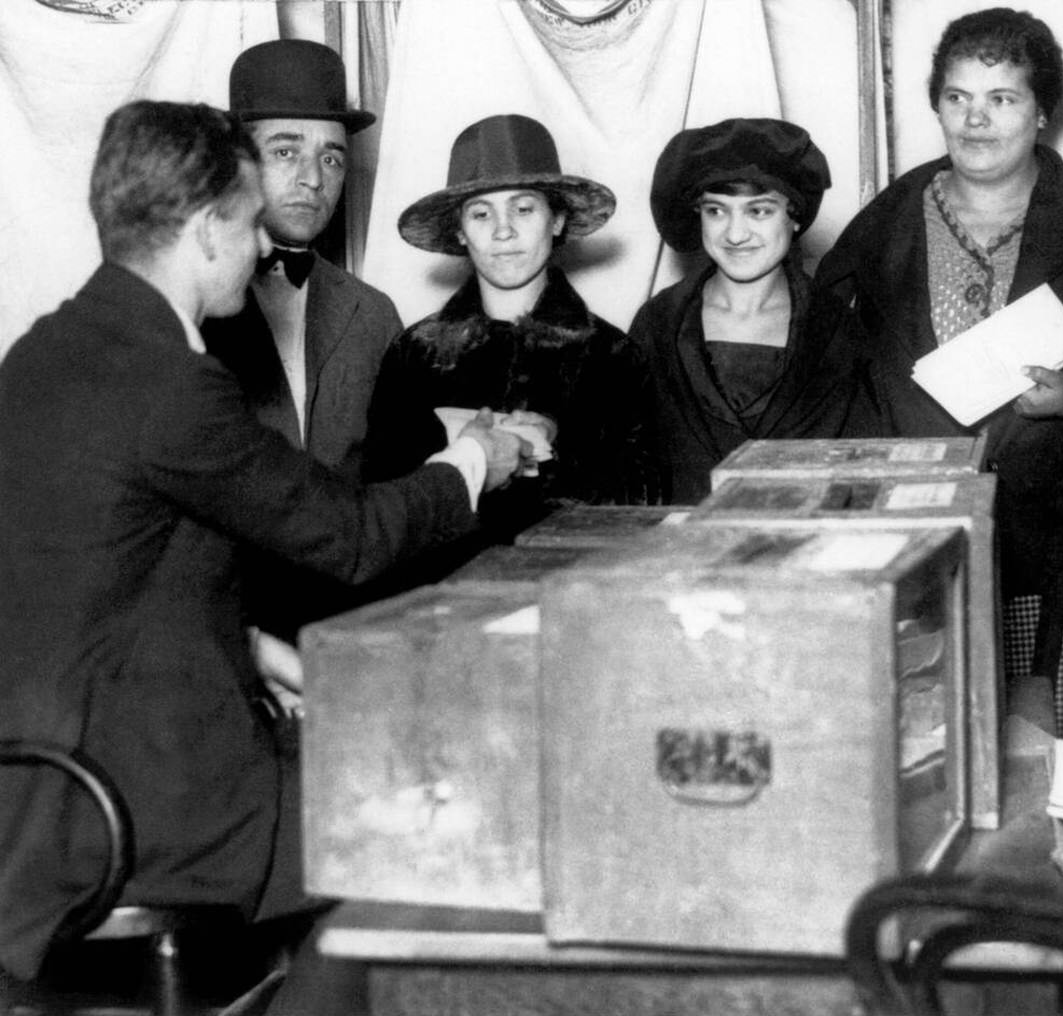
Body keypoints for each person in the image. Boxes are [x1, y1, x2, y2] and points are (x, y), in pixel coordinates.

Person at [0, 101, 526, 983]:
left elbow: (92, 570)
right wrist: (474, 458)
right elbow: (350, 538)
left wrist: (245, 649)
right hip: (121, 804)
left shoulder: (43, 354)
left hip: (38, 779)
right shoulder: (172, 384)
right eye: (247, 224)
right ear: (207, 231)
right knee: (448, 803)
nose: (257, 246)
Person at [816, 8, 1063, 737]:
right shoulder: (882, 231)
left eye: (1002, 99)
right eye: (958, 98)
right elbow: (823, 394)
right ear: (936, 106)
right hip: (914, 559)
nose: (976, 120)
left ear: (1041, 113)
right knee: (918, 769)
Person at [363, 113, 659, 556]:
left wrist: (554, 452)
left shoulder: (612, 356)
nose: (504, 230)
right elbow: (384, 501)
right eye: (481, 213)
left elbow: (645, 499)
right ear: (460, 232)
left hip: (572, 592)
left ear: (556, 220)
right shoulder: (414, 355)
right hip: (444, 599)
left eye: (523, 208)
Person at [202, 39, 406, 642]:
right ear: (236, 163)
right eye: (286, 150)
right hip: (220, 632)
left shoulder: (373, 314)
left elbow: (391, 495)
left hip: (349, 627)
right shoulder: (188, 305)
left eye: (333, 158)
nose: (312, 179)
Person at [631, 117, 882, 503]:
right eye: (716, 211)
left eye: (759, 211)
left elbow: (866, 473)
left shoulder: (837, 332)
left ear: (794, 216)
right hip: (679, 551)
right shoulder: (658, 325)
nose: (735, 234)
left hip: (808, 549)